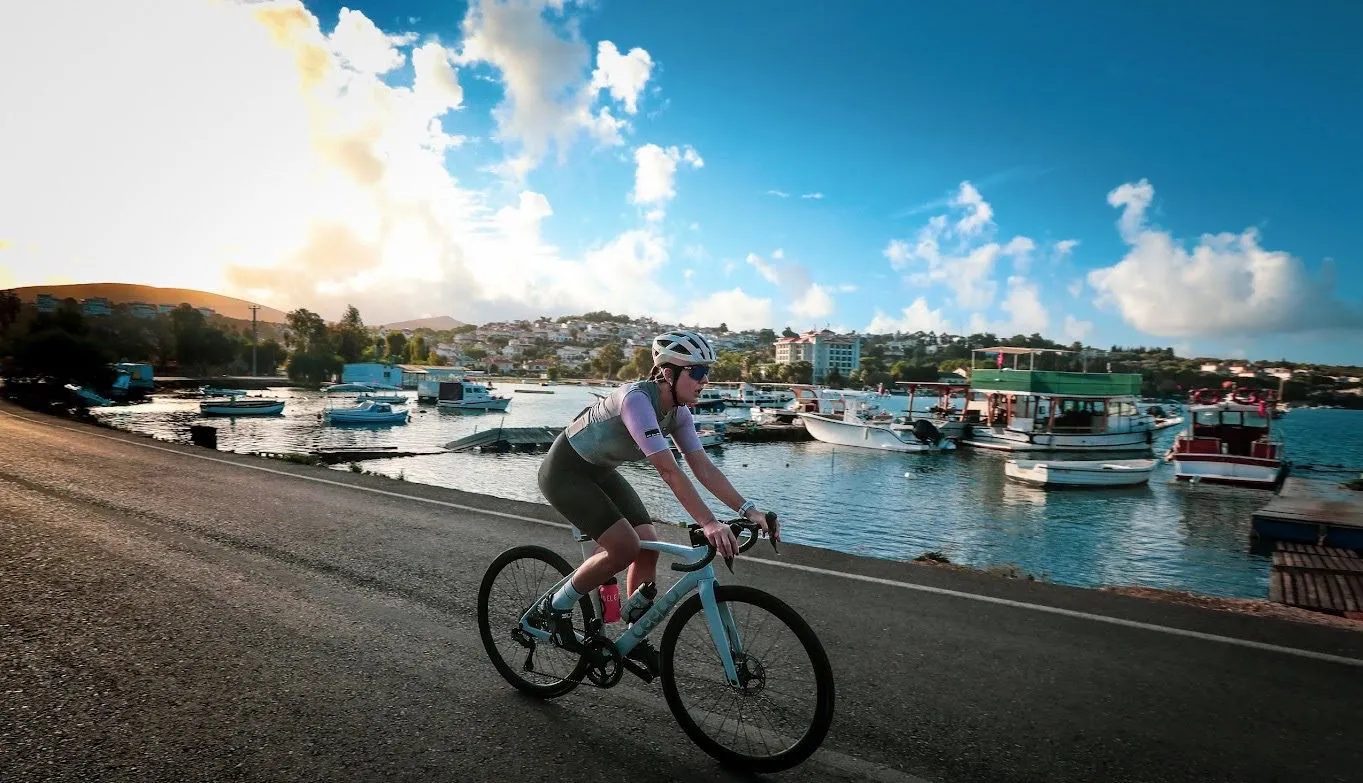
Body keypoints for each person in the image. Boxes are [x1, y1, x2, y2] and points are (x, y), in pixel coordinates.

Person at [533, 328, 778, 662]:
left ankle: (634, 634)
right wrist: (708, 522)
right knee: (625, 547)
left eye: (707, 372)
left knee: (647, 546)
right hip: (565, 472)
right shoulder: (637, 401)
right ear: (668, 373)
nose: (704, 380)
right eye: (698, 372)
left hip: (600, 471)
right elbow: (668, 471)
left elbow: (704, 468)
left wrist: (750, 510)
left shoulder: (679, 414)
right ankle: (555, 607)